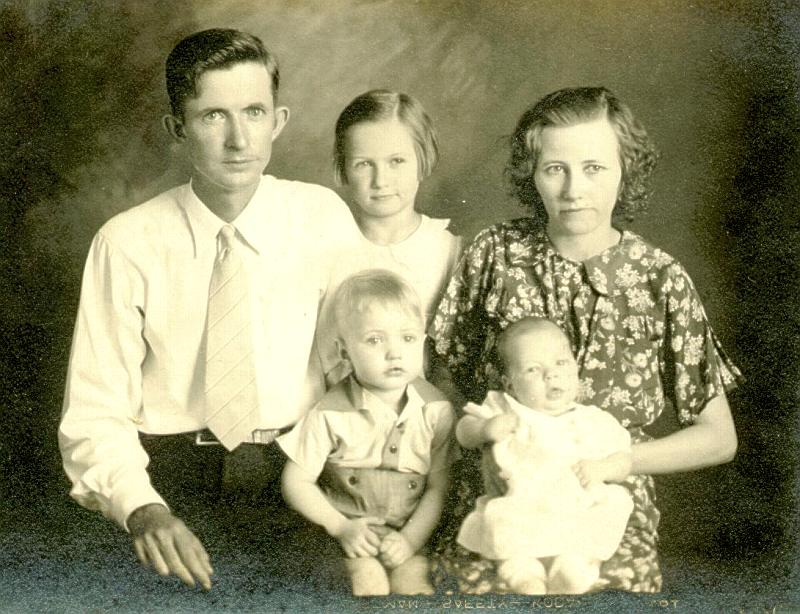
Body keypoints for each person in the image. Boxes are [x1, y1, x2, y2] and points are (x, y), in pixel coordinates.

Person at [58, 29, 360, 590]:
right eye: (213, 117)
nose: (239, 139)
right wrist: (140, 508)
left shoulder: (320, 217)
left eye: (254, 111)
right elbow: (95, 411)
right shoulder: (126, 241)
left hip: (301, 472)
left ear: (280, 119)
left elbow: (363, 365)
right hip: (169, 482)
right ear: (177, 128)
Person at [429, 86, 740, 593]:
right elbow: (441, 370)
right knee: (486, 588)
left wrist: (621, 463)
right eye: (556, 169)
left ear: (625, 170)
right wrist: (484, 440)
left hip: (603, 499)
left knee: (596, 592)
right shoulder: (496, 253)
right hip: (504, 494)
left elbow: (718, 437)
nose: (574, 188)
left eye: (594, 167)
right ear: (532, 174)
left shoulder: (661, 279)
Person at [279, 269, 454, 596]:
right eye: (375, 340)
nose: (395, 352)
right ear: (345, 352)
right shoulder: (329, 412)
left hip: (410, 534)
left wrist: (410, 540)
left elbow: (438, 489)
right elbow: (295, 481)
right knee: (367, 580)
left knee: (414, 582)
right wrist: (340, 526)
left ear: (423, 342)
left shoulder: (436, 411)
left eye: (408, 338)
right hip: (348, 537)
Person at [455, 317, 633, 595]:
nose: (551, 375)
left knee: (613, 504)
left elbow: (624, 461)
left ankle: (573, 565)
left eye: (561, 363)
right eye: (533, 369)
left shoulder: (594, 420)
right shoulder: (506, 408)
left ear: (575, 367)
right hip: (521, 501)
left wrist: (602, 468)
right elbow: (463, 431)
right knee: (501, 520)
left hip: (577, 504)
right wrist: (485, 429)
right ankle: (523, 572)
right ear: (510, 385)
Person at [316, 89, 462, 386]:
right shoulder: (324, 245)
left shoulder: (448, 252)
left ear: (423, 160)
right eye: (364, 164)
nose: (381, 181)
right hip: (333, 417)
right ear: (342, 170)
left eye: (397, 161)